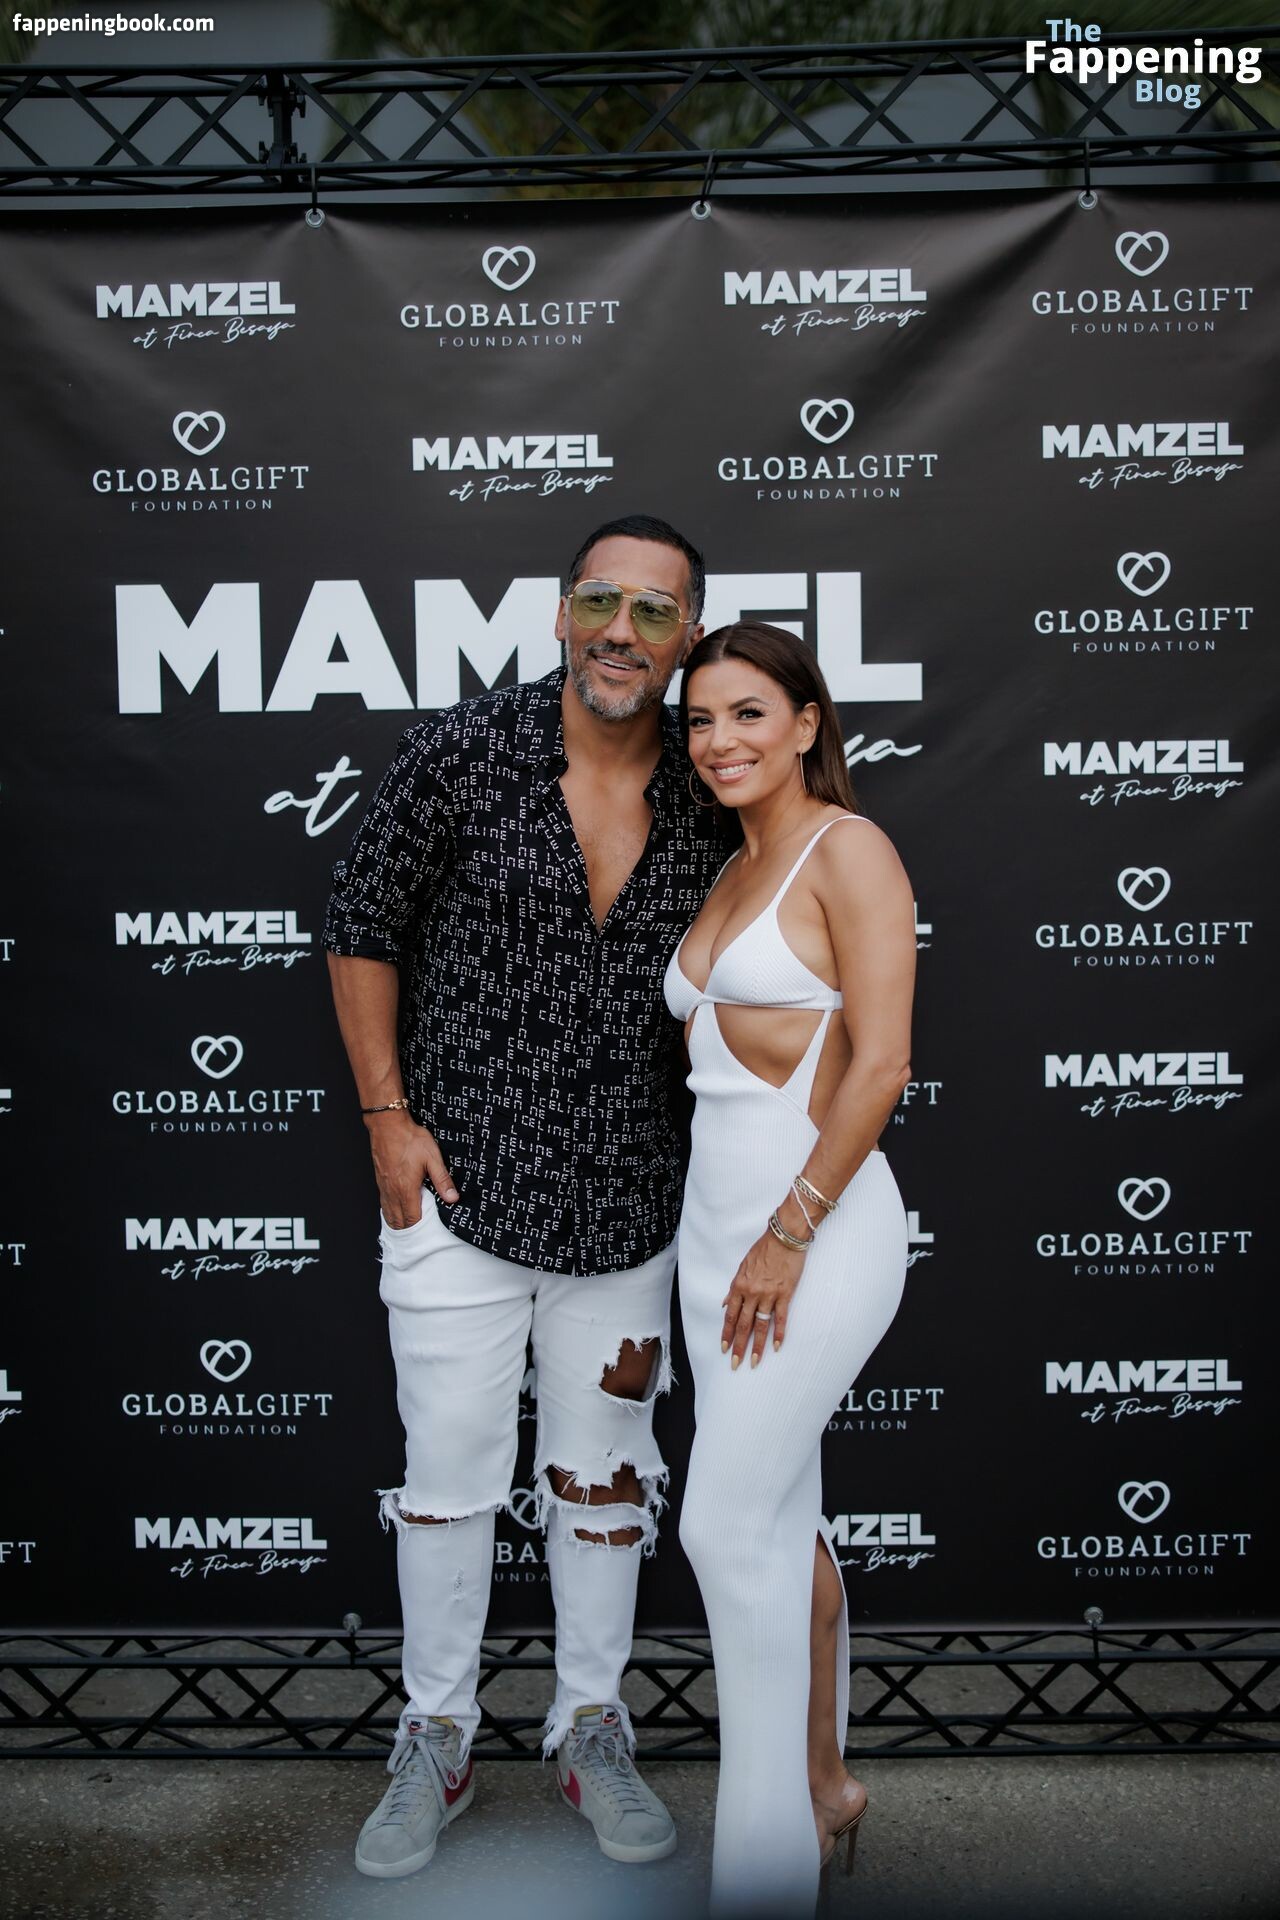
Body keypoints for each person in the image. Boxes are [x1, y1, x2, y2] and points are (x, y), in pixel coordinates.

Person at [323, 514, 727, 1879]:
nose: (623, 631)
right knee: (447, 1476)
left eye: (655, 611)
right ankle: (435, 1735)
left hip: (632, 1203)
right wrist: (387, 1119)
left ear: (686, 636)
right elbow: (361, 924)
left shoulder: (713, 781)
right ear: (562, 614)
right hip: (456, 1193)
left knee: (605, 1479)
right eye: (601, 601)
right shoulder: (464, 752)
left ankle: (589, 1726)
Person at [663, 621, 915, 1914]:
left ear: (808, 722)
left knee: (723, 1528)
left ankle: (763, 1876)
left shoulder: (847, 849)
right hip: (715, 1247)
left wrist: (789, 1230)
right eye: (701, 720)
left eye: (749, 713)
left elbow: (882, 1062)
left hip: (813, 1239)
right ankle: (824, 1787)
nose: (720, 742)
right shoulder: (731, 864)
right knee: (775, 1525)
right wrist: (742, 1245)